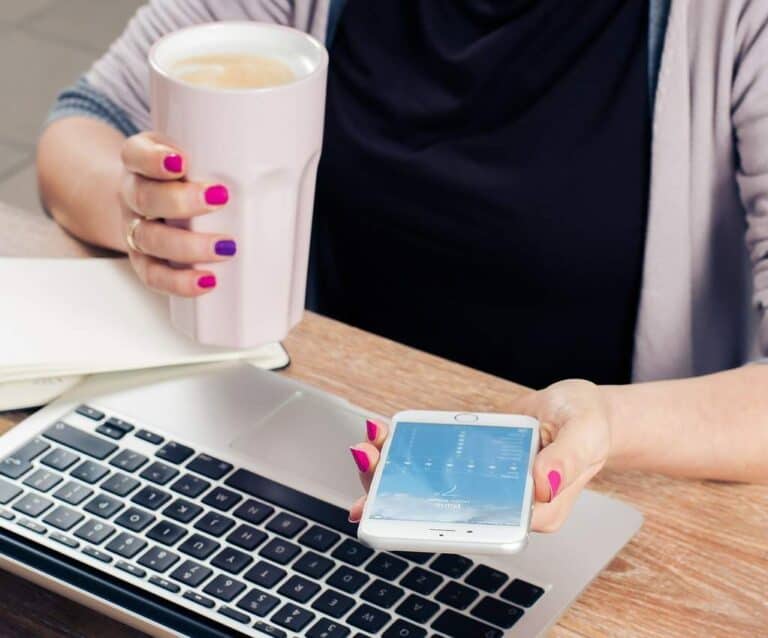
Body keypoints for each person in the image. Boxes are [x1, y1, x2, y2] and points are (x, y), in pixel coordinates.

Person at [36, 0, 768, 533]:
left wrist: (606, 423)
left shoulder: (733, 21)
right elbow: (81, 125)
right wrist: (143, 214)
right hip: (302, 454)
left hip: (601, 510)